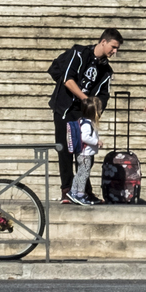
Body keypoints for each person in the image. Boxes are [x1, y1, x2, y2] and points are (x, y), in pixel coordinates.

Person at [48, 29, 120, 204]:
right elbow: (67, 79)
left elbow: (104, 95)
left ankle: (82, 190)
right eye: (113, 47)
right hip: (66, 109)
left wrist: (94, 110)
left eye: (117, 49)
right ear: (103, 41)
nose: (115, 51)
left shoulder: (106, 70)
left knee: (86, 153)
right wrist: (85, 99)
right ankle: (67, 189)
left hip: (84, 113)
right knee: (65, 150)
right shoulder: (79, 54)